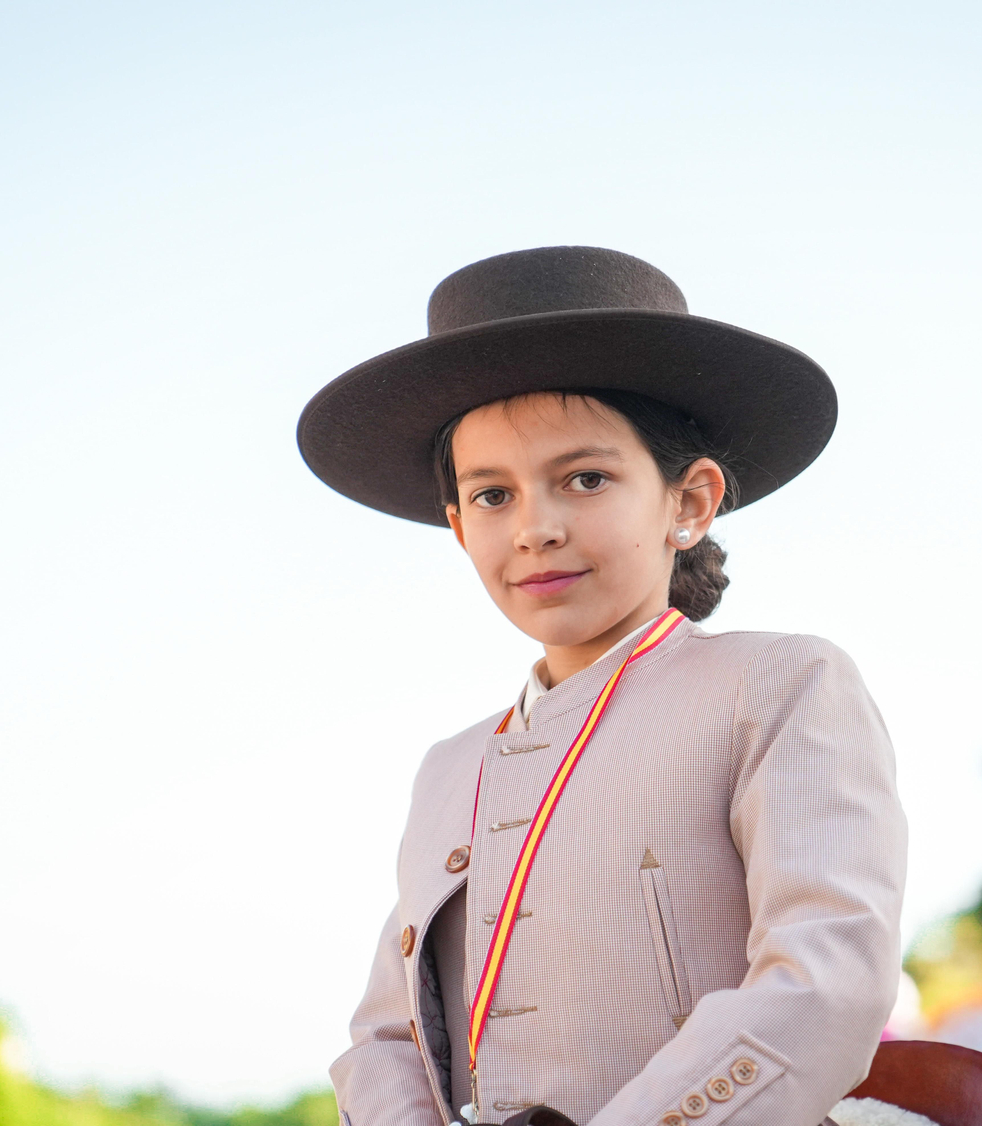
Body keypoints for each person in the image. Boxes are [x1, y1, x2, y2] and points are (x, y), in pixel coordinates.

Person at [299, 247, 909, 1126]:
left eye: (585, 478)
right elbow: (388, 1038)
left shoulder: (778, 684)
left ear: (689, 503)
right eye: (492, 496)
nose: (536, 528)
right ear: (457, 526)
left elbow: (826, 983)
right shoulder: (448, 768)